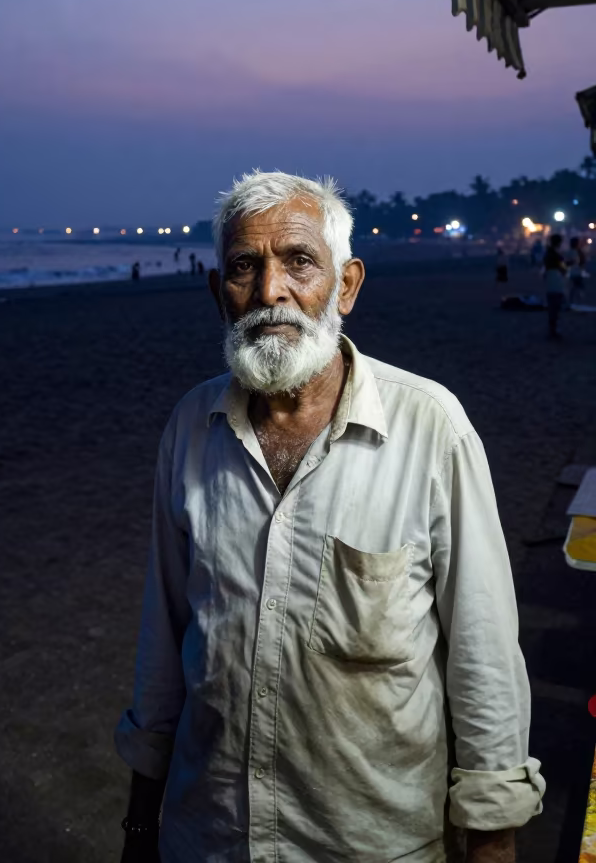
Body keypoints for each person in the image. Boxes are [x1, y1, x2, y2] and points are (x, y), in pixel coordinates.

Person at [116, 172, 544, 863]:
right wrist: (142, 821)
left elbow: (483, 649)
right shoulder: (191, 428)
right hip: (211, 838)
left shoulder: (430, 428)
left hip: (376, 843)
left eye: (298, 262)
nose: (269, 292)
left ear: (345, 285)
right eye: (243, 268)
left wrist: (492, 836)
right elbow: (163, 637)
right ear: (216, 293)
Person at [543, 233, 567, 338]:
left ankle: (552, 329)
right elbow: (562, 267)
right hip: (556, 278)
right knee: (555, 305)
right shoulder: (556, 254)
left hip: (550, 278)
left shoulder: (548, 253)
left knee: (553, 305)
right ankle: (553, 330)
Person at [567, 236, 587, 305]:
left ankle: (572, 301)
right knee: (578, 287)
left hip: (574, 272)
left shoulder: (572, 252)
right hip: (576, 273)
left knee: (575, 287)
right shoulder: (576, 252)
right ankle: (577, 302)